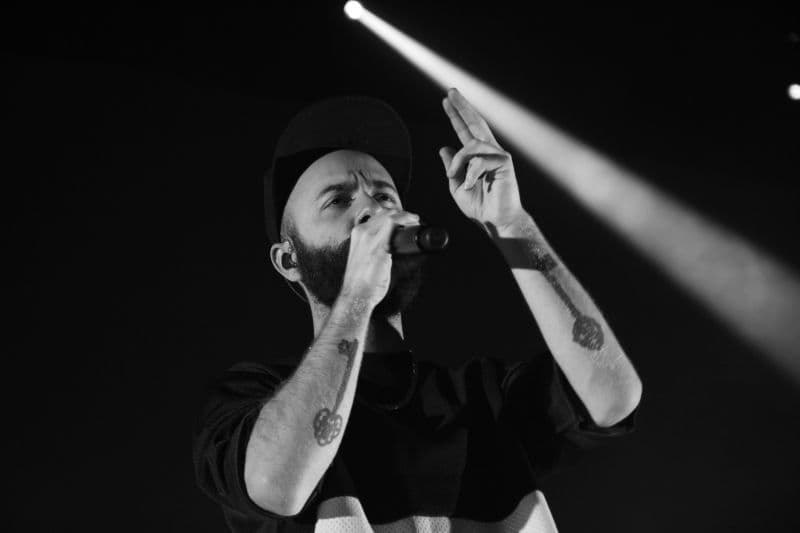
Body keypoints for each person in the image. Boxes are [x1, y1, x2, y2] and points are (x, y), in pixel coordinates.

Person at [192, 89, 643, 533]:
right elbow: (275, 486)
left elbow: (613, 396)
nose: (372, 208)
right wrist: (357, 296)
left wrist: (511, 224)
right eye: (338, 201)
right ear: (289, 260)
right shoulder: (257, 396)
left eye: (385, 196)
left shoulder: (481, 397)